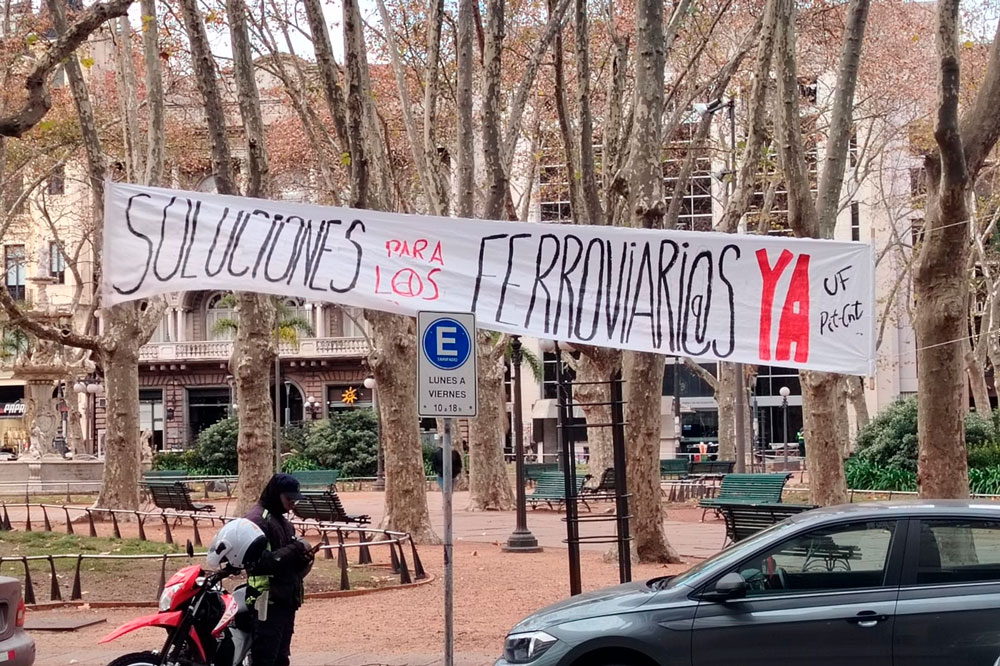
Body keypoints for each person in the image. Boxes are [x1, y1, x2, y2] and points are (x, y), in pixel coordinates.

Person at [244, 474, 314, 666]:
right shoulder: (258, 519)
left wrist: (302, 559)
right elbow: (258, 563)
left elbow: (285, 560)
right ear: (276, 494)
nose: (292, 504)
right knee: (265, 658)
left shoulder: (284, 522)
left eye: (295, 499)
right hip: (266, 600)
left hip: (286, 598)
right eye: (288, 498)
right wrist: (294, 550)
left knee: (281, 658)